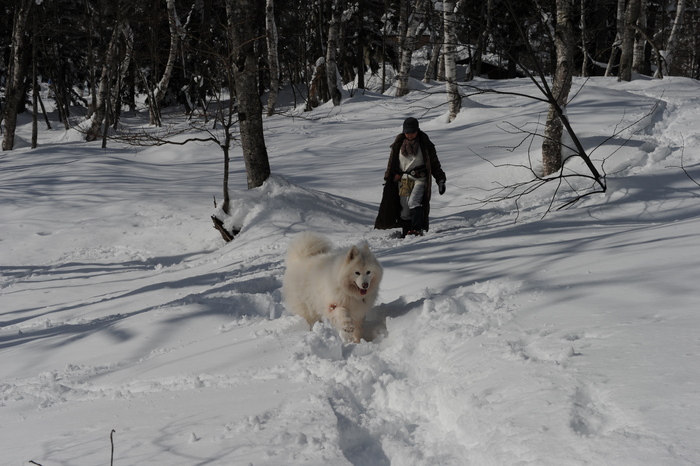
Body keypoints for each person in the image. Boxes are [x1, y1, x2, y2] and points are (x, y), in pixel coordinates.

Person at [374, 117, 446, 237]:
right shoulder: (398, 145)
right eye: (407, 132)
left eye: (412, 132)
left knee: (414, 202)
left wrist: (440, 180)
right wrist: (388, 178)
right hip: (403, 180)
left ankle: (417, 230)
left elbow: (434, 164)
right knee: (405, 209)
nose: (410, 135)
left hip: (420, 180)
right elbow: (391, 163)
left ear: (417, 130)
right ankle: (407, 231)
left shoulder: (425, 144)